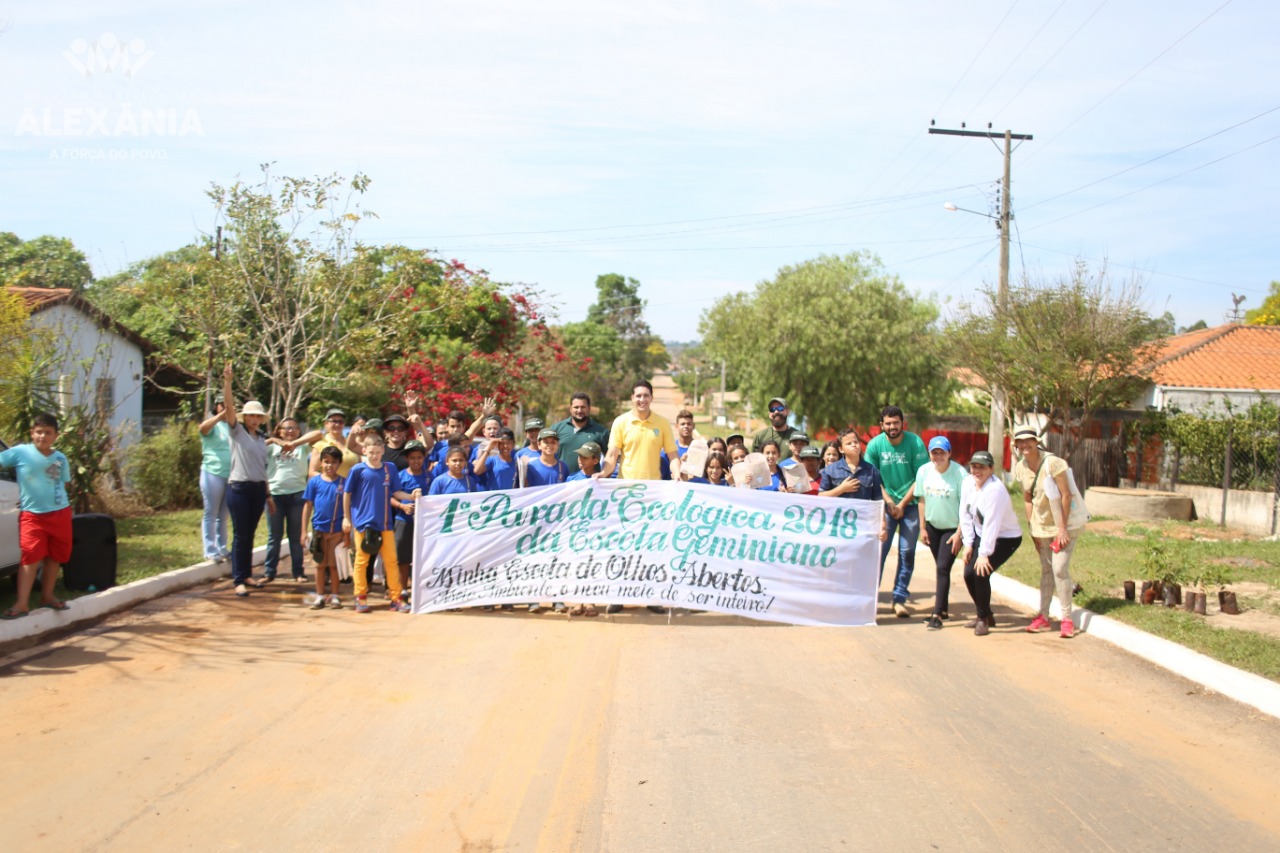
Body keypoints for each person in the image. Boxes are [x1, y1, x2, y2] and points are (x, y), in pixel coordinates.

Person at [599, 380, 678, 614]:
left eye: (645, 395)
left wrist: (675, 471)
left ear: (651, 398)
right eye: (638, 396)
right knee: (624, 546)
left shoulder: (662, 423)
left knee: (652, 546)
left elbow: (673, 454)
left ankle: (652, 596)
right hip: (625, 493)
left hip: (654, 495)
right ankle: (619, 595)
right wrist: (603, 472)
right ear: (632, 398)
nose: (642, 399)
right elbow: (612, 453)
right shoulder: (621, 422)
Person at [1012, 426, 1084, 639]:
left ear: (1037, 441)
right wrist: (1032, 528)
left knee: (1060, 569)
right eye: (1020, 442)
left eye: (1028, 441)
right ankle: (1043, 616)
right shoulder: (1020, 468)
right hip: (1041, 526)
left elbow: (1066, 495)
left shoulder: (1053, 463)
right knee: (1046, 569)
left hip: (1064, 526)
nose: (1025, 445)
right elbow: (1027, 499)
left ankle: (1067, 619)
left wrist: (1062, 529)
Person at [0, 412, 73, 619]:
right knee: (30, 557)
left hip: (60, 514)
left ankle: (47, 596)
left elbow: (63, 482)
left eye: (48, 433)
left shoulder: (60, 458)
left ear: (56, 436)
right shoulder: (20, 453)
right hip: (33, 516)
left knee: (54, 556)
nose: (43, 436)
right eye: (39, 432)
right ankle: (22, 603)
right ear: (32, 433)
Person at [864, 405, 930, 618]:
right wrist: (890, 502)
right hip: (884, 506)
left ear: (903, 423)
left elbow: (921, 477)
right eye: (888, 423)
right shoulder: (875, 445)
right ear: (882, 424)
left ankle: (899, 598)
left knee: (907, 552)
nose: (892, 427)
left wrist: (902, 504)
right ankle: (871, 599)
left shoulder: (915, 442)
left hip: (910, 507)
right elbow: (873, 479)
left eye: (896, 422)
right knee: (879, 553)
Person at [343, 432, 419, 614]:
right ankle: (360, 597)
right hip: (363, 523)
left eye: (378, 452)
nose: (375, 456)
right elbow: (347, 494)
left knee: (391, 561)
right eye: (371, 452)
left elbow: (396, 492)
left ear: (383, 451)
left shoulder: (389, 468)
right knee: (362, 561)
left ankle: (396, 597)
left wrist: (410, 496)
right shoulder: (358, 470)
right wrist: (347, 518)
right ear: (364, 451)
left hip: (385, 523)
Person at [222, 362, 274, 598]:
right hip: (239, 488)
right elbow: (230, 407)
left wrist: (268, 494)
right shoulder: (237, 431)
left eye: (257, 416)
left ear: (262, 419)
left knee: (250, 533)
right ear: (245, 417)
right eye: (250, 415)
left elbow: (262, 469)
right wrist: (228, 382)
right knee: (241, 534)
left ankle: (246, 574)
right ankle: (238, 580)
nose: (254, 419)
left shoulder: (261, 437)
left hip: (257, 489)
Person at [959, 451, 1023, 636]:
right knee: (968, 573)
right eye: (974, 466)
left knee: (981, 573)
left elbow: (992, 523)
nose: (977, 471)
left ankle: (983, 619)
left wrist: (984, 553)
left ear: (991, 469)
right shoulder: (968, 483)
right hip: (981, 533)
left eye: (982, 467)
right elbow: (964, 513)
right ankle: (986, 613)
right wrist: (969, 544)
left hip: (1006, 537)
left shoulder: (995, 490)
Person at [915, 436, 966, 630]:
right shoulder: (923, 471)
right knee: (941, 567)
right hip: (932, 527)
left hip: (952, 529)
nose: (938, 456)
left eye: (942, 452)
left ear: (949, 453)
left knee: (942, 568)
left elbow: (965, 505)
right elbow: (921, 500)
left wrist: (959, 533)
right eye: (934, 452)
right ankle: (943, 608)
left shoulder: (960, 473)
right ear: (929, 454)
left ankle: (937, 614)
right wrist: (922, 528)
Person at [818, 428, 887, 542]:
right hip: (836, 528)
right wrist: (841, 489)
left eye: (856, 442)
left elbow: (878, 501)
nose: (854, 445)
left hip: (863, 526)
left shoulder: (872, 470)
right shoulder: (830, 470)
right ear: (841, 449)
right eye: (849, 443)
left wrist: (883, 525)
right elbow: (821, 497)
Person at [262, 417, 309, 583]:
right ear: (279, 430)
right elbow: (257, 446)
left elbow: (318, 434)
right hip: (275, 495)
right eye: (286, 428)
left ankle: (298, 572)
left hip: (297, 495)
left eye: (294, 428)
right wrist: (274, 439)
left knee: (295, 536)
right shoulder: (272, 446)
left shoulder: (302, 446)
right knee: (274, 535)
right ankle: (269, 572)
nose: (290, 431)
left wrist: (295, 443)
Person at [301, 445, 347, 610]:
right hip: (319, 530)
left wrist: (347, 532)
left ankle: (335, 595)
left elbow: (349, 507)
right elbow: (307, 506)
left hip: (337, 532)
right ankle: (319, 596)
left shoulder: (344, 483)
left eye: (333, 462)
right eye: (326, 462)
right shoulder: (314, 482)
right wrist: (303, 531)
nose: (330, 465)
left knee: (334, 565)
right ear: (321, 463)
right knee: (319, 564)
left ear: (339, 464)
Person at [393, 440, 432, 604]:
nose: (416, 461)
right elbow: (391, 496)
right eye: (412, 458)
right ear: (407, 459)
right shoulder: (400, 476)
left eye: (419, 457)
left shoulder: (430, 476)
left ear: (424, 458)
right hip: (403, 521)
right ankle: (402, 590)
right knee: (402, 558)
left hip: (425, 524)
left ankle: (421, 590)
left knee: (423, 558)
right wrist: (402, 506)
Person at [198, 396, 232, 562]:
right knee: (211, 512)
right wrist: (220, 416)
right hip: (212, 473)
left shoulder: (233, 426)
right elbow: (202, 429)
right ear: (217, 406)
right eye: (222, 404)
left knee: (223, 515)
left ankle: (222, 548)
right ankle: (210, 550)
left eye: (229, 404)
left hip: (230, 475)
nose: (226, 407)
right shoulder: (213, 423)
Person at [552, 392, 610, 474]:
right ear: (570, 409)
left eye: (583, 407)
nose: (579, 410)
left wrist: (604, 476)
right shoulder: (556, 428)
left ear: (589, 408)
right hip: (562, 482)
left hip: (589, 483)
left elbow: (611, 458)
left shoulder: (601, 431)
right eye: (576, 407)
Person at [303, 409, 359, 477]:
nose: (337, 424)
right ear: (326, 423)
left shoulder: (351, 444)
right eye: (334, 421)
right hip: (330, 486)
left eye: (340, 422)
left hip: (351, 486)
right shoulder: (320, 444)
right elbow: (312, 473)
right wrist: (332, 481)